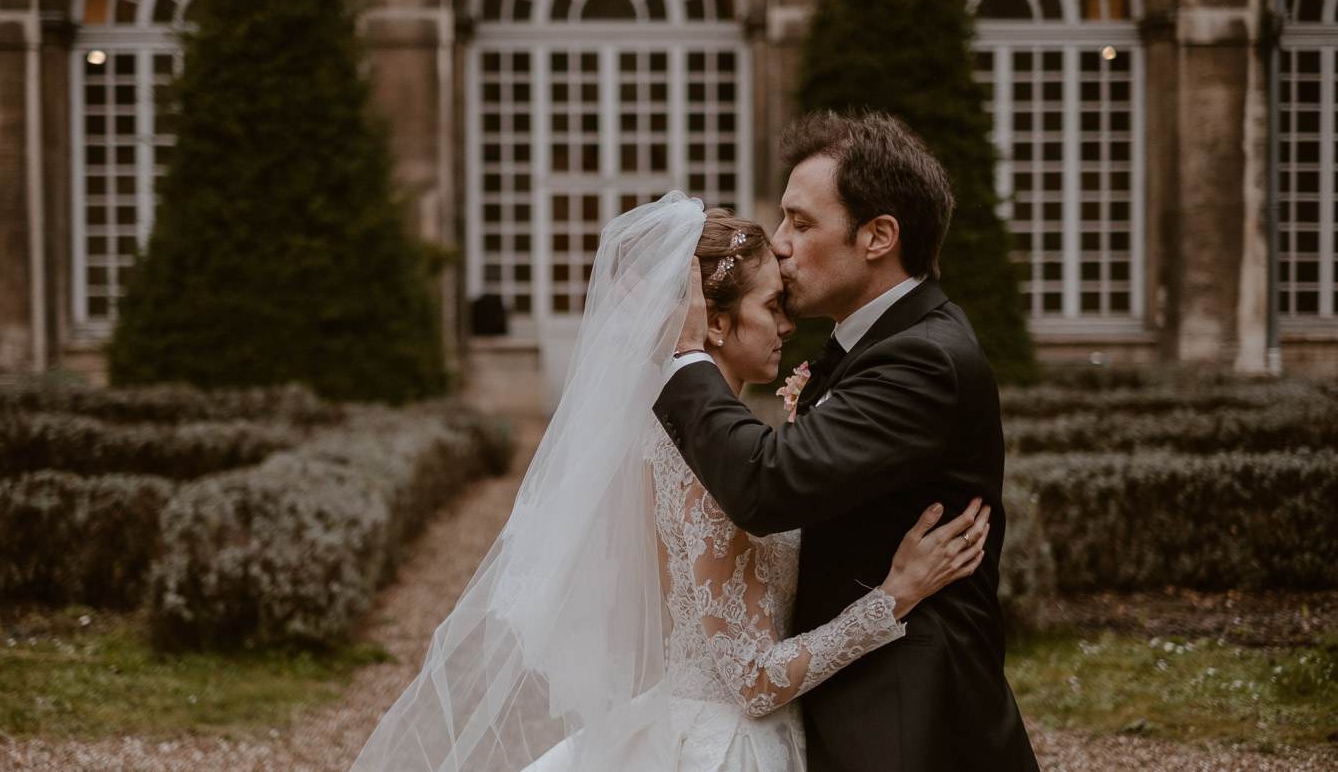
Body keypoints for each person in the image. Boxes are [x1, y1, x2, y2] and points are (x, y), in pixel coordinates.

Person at [349, 192, 988, 772]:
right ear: (713, 323)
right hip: (732, 745)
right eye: (772, 307)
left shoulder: (712, 439)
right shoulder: (701, 462)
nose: (789, 327)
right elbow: (752, 681)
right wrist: (894, 597)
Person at [655, 112, 1040, 772]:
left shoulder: (922, 360)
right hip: (829, 697)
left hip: (903, 711)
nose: (778, 245)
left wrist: (688, 356)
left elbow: (767, 485)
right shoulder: (874, 346)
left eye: (800, 223)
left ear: (878, 237)